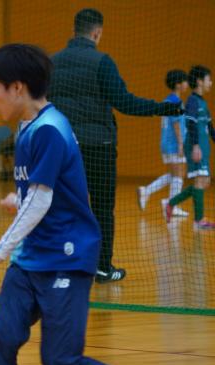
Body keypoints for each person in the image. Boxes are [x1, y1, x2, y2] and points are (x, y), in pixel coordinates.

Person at [0, 43, 165, 365]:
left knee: (60, 361)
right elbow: (42, 194)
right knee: (0, 341)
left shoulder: (50, 129)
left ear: (18, 88)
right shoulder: (29, 127)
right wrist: (17, 201)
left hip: (66, 258)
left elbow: (41, 201)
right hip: (31, 260)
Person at [49, 8, 183, 284]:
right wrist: (164, 108)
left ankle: (61, 266)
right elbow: (125, 103)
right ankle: (101, 268)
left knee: (63, 207)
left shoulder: (52, 62)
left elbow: (42, 104)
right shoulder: (102, 62)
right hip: (99, 147)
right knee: (101, 207)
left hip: (63, 147)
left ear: (73, 30)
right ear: (97, 33)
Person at [164, 65, 215, 229]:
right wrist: (195, 146)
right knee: (200, 181)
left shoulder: (203, 102)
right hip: (195, 146)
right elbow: (190, 124)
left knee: (205, 182)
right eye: (209, 79)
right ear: (199, 81)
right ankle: (199, 221)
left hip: (203, 147)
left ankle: (171, 203)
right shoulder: (192, 101)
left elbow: (210, 127)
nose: (211, 83)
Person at [137, 70, 189, 216]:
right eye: (185, 81)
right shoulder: (175, 102)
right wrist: (181, 144)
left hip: (166, 143)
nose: (187, 84)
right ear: (178, 84)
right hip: (173, 144)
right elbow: (176, 124)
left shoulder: (168, 100)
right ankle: (171, 205)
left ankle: (150, 193)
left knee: (175, 174)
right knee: (179, 174)